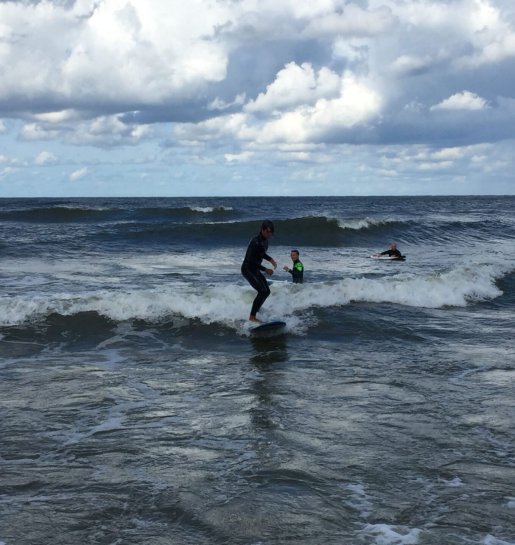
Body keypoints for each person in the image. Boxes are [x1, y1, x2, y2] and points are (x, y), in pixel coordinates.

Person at [241, 220, 277, 322]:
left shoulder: (265, 240)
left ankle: (256, 309)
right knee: (262, 291)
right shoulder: (255, 241)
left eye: (271, 232)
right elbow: (252, 261)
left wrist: (271, 260)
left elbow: (261, 254)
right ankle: (252, 317)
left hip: (255, 269)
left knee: (267, 291)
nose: (269, 234)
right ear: (262, 230)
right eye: (267, 232)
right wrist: (266, 269)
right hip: (248, 269)